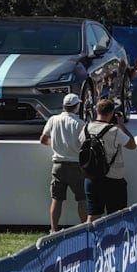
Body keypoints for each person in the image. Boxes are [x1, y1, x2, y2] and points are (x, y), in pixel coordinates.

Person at [39, 93, 88, 233]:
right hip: (75, 164)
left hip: (58, 164)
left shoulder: (53, 120)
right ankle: (84, 227)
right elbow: (84, 144)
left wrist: (56, 144)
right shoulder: (80, 124)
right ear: (76, 107)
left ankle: (54, 229)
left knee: (57, 199)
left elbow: (43, 139)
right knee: (81, 198)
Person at [81, 98, 136, 221]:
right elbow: (132, 145)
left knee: (93, 216)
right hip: (113, 180)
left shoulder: (85, 129)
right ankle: (114, 240)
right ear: (112, 113)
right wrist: (121, 125)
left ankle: (91, 240)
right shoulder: (114, 131)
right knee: (116, 217)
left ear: (96, 110)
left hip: (91, 178)